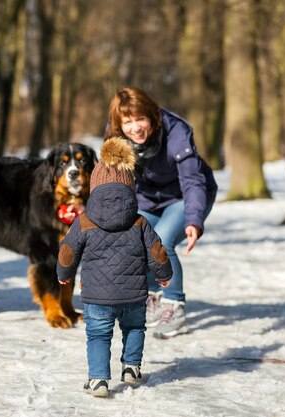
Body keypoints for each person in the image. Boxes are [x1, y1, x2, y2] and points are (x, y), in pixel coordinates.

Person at [57, 136, 173, 398]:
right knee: (134, 328)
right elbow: (157, 251)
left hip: (97, 297)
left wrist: (63, 275)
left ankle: (98, 380)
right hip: (133, 295)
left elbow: (67, 252)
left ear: (95, 188)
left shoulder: (84, 221)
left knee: (98, 335)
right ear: (130, 188)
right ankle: (131, 367)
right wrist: (164, 276)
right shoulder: (140, 222)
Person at [105, 86, 218, 339]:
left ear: (152, 116)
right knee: (135, 238)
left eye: (140, 119)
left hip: (185, 196)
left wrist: (193, 220)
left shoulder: (176, 131)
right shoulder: (114, 139)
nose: (135, 127)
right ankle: (153, 297)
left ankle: (174, 305)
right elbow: (112, 181)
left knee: (162, 241)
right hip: (148, 198)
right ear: (118, 124)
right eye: (128, 122)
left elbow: (192, 181)